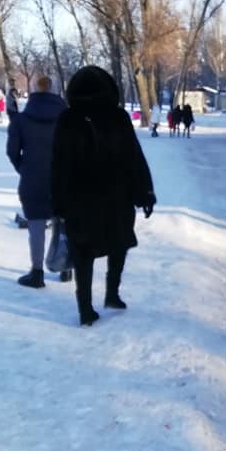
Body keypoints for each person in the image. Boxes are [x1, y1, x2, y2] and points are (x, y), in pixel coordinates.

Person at [51, 65, 156, 326]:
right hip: (115, 197)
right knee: (117, 245)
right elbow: (135, 158)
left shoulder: (68, 119)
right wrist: (145, 192)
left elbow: (57, 164)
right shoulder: (117, 117)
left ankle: (86, 309)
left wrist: (58, 201)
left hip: (80, 200)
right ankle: (112, 294)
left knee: (84, 254)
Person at [7, 75, 68, 288]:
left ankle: (37, 272)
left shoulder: (21, 120)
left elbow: (12, 151)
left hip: (33, 179)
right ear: (54, 90)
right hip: (64, 180)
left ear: (34, 90)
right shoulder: (69, 119)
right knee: (64, 224)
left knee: (36, 226)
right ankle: (66, 267)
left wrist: (24, 168)